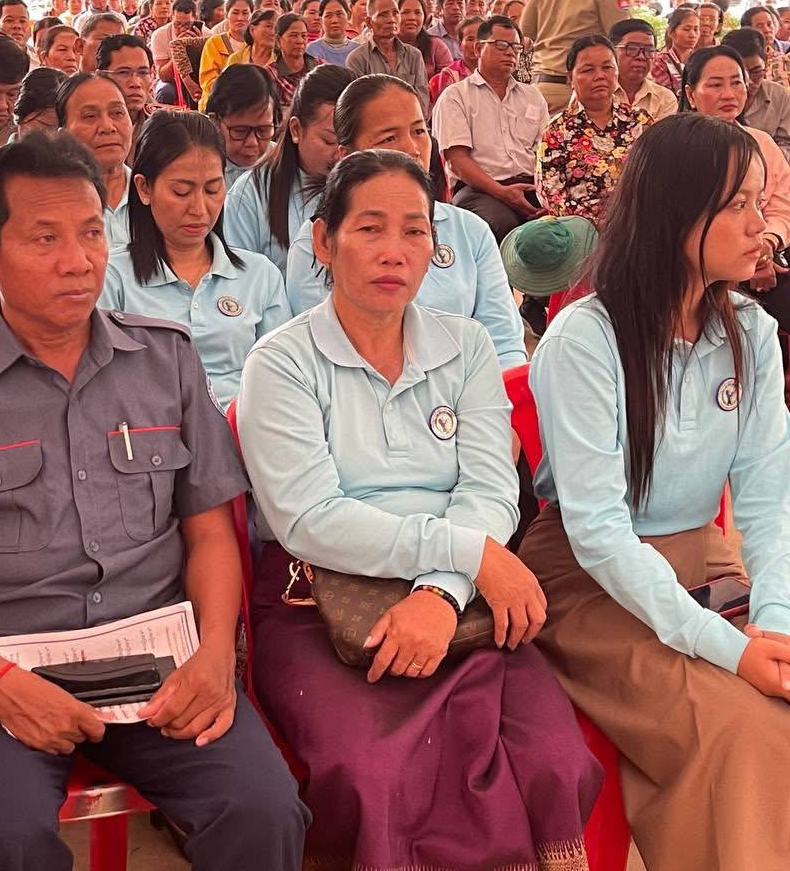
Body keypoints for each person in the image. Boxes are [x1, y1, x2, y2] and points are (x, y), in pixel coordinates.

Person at [0, 129, 309, 871]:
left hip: (157, 660)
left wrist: (215, 656)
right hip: (0, 669)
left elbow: (211, 533)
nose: (77, 260)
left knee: (263, 810)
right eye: (44, 239)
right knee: (6, 841)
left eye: (89, 233)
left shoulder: (166, 360)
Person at [241, 149, 600, 871]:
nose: (395, 251)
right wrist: (468, 555)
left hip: (464, 595)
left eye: (414, 231)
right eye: (370, 228)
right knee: (372, 776)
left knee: (554, 761)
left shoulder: (465, 346)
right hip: (318, 599)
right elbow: (310, 519)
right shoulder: (280, 363)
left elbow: (491, 488)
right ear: (323, 241)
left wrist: (440, 593)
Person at [520, 113, 790, 870]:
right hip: (589, 580)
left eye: (760, 201)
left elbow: (769, 495)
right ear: (677, 213)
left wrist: (773, 626)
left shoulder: (749, 331)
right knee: (743, 730)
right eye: (738, 205)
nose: (761, 225)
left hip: (700, 558)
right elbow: (600, 532)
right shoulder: (587, 340)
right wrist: (729, 650)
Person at [285, 75, 526, 366]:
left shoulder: (470, 230)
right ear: (347, 155)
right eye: (389, 138)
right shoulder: (320, 241)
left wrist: (481, 389)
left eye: (419, 131)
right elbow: (322, 351)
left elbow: (504, 343)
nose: (412, 149)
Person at [99, 111, 289, 408]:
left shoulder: (259, 275)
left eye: (212, 189)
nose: (199, 208)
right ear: (144, 188)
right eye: (181, 192)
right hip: (154, 427)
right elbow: (107, 383)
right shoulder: (113, 277)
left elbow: (281, 375)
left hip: (244, 426)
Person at [678, 45, 790, 328]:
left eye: (736, 83)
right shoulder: (675, 149)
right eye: (715, 85)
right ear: (690, 94)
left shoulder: (762, 143)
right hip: (693, 268)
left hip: (762, 254)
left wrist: (766, 245)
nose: (728, 94)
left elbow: (782, 206)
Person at [225, 65, 356, 272]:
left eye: (351, 142)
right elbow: (241, 282)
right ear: (296, 130)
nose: (341, 153)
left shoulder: (372, 188)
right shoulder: (249, 195)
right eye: (330, 141)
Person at [433, 16, 549, 241]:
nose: (510, 52)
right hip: (479, 188)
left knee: (560, 222)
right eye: (501, 45)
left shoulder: (533, 96)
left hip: (530, 184)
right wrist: (502, 193)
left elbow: (545, 154)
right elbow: (458, 161)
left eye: (516, 47)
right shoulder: (456, 96)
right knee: (501, 224)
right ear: (478, 49)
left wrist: (549, 197)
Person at [537, 35, 651, 223]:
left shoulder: (640, 121)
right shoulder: (557, 130)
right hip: (580, 228)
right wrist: (595, 225)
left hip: (637, 223)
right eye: (588, 70)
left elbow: (657, 177)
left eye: (607, 67)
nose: (600, 76)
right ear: (570, 77)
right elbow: (552, 195)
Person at [57, 72, 133, 246]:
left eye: (117, 113)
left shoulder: (154, 194)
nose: (108, 127)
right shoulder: (50, 203)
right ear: (64, 135)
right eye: (90, 116)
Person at [345, 0, 430, 117]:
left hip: (410, 122)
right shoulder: (357, 59)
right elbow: (357, 107)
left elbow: (422, 101)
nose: (391, 19)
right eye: (383, 15)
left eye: (395, 13)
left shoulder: (414, 55)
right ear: (369, 22)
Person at [207, 64, 280, 188]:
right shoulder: (201, 167)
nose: (252, 143)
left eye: (263, 130)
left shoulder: (283, 163)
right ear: (216, 122)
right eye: (240, 131)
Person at [727, 28, 790, 161]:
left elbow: (786, 143)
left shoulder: (779, 95)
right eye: (740, 75)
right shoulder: (716, 96)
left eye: (756, 72)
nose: (749, 81)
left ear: (766, 63)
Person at [609, 18, 677, 120]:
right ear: (611, 51)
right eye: (632, 48)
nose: (641, 57)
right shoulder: (597, 92)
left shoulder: (665, 98)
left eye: (649, 50)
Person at [198, 0, 254, 111]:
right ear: (227, 15)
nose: (240, 18)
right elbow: (208, 82)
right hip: (218, 102)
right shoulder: (214, 43)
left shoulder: (255, 44)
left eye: (245, 13)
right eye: (235, 13)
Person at [96, 34, 159, 136]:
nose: (135, 83)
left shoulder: (162, 123)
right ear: (101, 76)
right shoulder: (86, 121)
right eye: (123, 73)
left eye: (143, 73)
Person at [398, 0, 453, 82]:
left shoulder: (436, 46)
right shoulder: (387, 46)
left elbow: (448, 80)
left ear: (424, 17)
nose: (412, 17)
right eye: (405, 12)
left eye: (418, 12)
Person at [429, 16, 484, 105]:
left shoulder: (495, 73)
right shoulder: (450, 75)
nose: (476, 44)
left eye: (481, 39)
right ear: (460, 44)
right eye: (470, 39)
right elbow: (446, 108)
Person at [650, 6, 699, 95]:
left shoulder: (701, 60)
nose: (692, 35)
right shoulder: (660, 61)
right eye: (686, 29)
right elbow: (664, 95)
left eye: (696, 29)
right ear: (671, 32)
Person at [740, 6, 790, 88]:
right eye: (760, 26)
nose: (767, 30)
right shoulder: (739, 59)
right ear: (747, 30)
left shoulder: (781, 59)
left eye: (769, 24)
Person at [306, 0, 360, 66]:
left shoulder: (358, 50)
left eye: (339, 14)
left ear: (348, 16)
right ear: (321, 20)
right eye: (328, 15)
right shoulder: (312, 50)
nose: (334, 20)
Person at [223, 7, 277, 74]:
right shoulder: (236, 59)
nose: (273, 32)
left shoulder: (280, 60)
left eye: (276, 28)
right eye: (268, 26)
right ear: (252, 30)